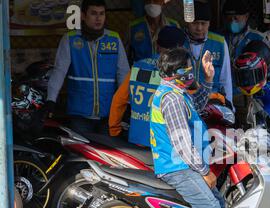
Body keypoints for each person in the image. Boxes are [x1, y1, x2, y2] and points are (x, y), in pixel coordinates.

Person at [150, 47, 254, 208]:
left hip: (185, 164)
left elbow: (197, 105)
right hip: (178, 166)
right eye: (186, 68)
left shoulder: (177, 91)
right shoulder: (172, 98)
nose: (190, 72)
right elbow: (182, 143)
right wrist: (204, 171)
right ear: (175, 72)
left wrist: (207, 78)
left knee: (220, 206)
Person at [46, 0, 129, 134]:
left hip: (108, 113)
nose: (98, 18)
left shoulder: (114, 39)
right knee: (81, 154)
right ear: (83, 16)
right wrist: (51, 99)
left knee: (108, 154)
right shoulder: (70, 39)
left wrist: (127, 104)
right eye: (93, 14)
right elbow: (59, 72)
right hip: (80, 114)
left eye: (102, 14)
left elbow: (123, 73)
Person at [109, 26, 186, 147]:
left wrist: (115, 131)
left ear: (157, 45)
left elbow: (118, 100)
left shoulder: (137, 67)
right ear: (181, 50)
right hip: (162, 144)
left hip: (137, 141)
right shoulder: (177, 73)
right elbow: (193, 97)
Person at [184, 0, 233, 104]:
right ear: (187, 23)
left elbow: (226, 78)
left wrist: (230, 106)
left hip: (213, 103)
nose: (199, 28)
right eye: (195, 23)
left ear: (209, 23)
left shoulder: (219, 42)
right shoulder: (180, 41)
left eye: (203, 23)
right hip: (186, 101)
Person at [223, 0, 265, 98]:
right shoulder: (218, 37)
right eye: (229, 19)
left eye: (236, 18)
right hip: (223, 93)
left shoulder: (257, 38)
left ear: (246, 16)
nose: (232, 22)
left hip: (248, 94)